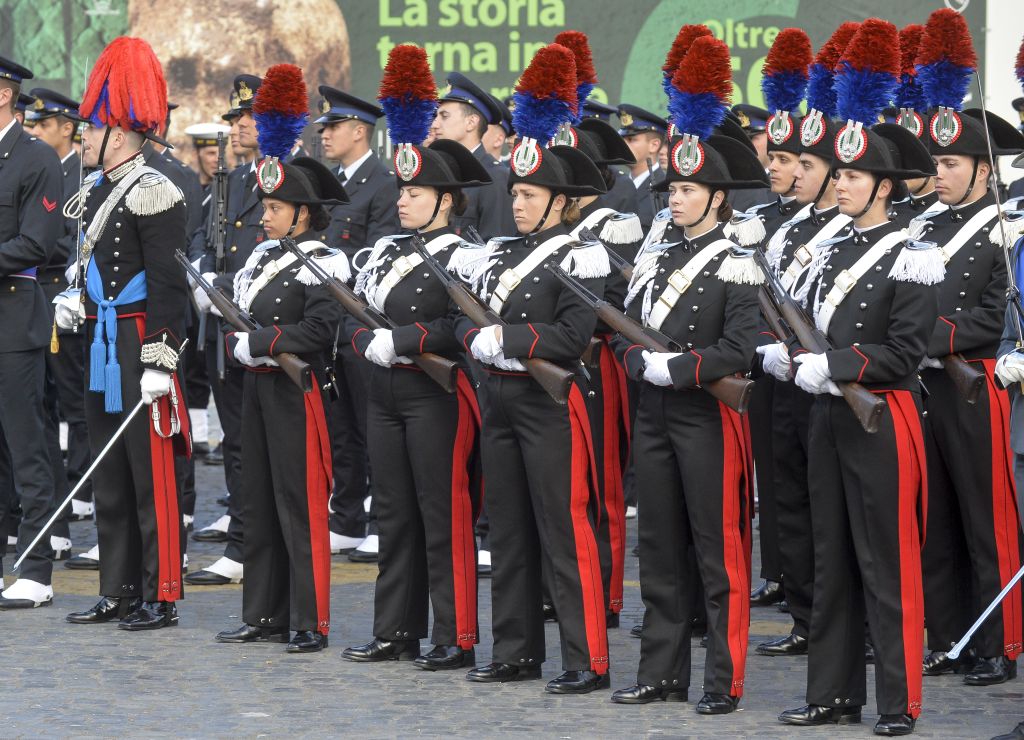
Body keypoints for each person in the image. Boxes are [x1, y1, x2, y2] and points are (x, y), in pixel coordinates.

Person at [777, 18, 941, 735]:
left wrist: (833, 365)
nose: (837, 184)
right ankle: (831, 693)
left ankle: (898, 701)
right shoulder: (830, 248)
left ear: (881, 185)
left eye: (849, 175)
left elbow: (905, 351)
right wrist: (790, 357)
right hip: (827, 414)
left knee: (886, 562)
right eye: (835, 173)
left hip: (881, 415)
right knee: (830, 558)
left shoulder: (913, 252)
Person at [608, 34, 764, 714]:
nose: (675, 199)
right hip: (656, 413)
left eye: (689, 189)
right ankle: (661, 671)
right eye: (672, 188)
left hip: (707, 414)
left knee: (717, 551)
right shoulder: (655, 252)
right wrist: (638, 361)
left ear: (718, 195)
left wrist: (681, 367)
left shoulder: (736, 256)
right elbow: (622, 326)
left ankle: (722, 678)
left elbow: (741, 347)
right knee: (659, 547)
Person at [457, 44, 610, 695]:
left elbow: (574, 336)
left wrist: (510, 339)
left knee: (564, 530)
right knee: (511, 532)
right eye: (516, 193)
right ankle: (516, 648)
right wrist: (480, 339)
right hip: (501, 399)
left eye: (532, 195)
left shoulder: (580, 254)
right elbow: (470, 316)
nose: (518, 204)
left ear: (561, 202)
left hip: (551, 404)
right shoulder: (500, 252)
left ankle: (587, 658)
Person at [342, 45, 488, 669]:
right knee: (393, 514)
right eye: (402, 190)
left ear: (446, 199)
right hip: (386, 394)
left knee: (442, 513)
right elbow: (356, 317)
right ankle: (393, 629)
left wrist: (404, 341)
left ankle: (452, 635)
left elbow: (463, 326)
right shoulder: (386, 249)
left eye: (417, 192)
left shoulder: (464, 254)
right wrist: (365, 342)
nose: (403, 201)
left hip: (435, 396)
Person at [59, 37, 190, 629]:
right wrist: (73, 298)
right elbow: (86, 264)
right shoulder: (95, 191)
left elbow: (168, 286)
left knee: (148, 470)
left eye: (91, 128)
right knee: (108, 470)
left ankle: (160, 591)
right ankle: (118, 587)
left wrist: (162, 359)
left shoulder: (155, 190)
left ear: (119, 132)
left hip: (139, 340)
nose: (82, 137)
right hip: (101, 342)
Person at [215, 64, 342, 654]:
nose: (264, 216)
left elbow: (318, 329)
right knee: (257, 500)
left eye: (275, 208)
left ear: (303, 213)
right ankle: (262, 611)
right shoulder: (264, 258)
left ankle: (308, 618)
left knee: (297, 502)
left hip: (299, 391)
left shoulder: (323, 260)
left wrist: (260, 342)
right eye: (264, 207)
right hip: (260, 389)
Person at [915, 82, 1024, 687]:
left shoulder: (1006, 228)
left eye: (951, 163)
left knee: (988, 522)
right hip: (927, 388)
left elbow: (996, 315)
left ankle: (999, 642)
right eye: (936, 163)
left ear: (983, 169)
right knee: (939, 522)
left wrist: (920, 338)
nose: (939, 173)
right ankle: (950, 636)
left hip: (977, 384)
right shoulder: (926, 225)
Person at [315, 84, 401, 562]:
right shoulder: (334, 181)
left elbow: (378, 253)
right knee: (341, 428)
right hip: (331, 325)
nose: (324, 135)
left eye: (332, 127)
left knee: (374, 432)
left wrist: (335, 263)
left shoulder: (384, 184)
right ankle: (345, 518)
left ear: (358, 130)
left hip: (362, 324)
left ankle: (379, 521)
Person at [185, 74, 264, 586]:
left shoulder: (293, 175)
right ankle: (242, 542)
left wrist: (226, 284)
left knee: (262, 446)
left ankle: (259, 542)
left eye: (246, 118)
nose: (235, 127)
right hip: (222, 333)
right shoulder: (228, 181)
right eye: (233, 119)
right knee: (236, 443)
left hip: (265, 331)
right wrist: (200, 276)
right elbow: (199, 234)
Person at [0, 56, 62, 607]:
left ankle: (37, 569)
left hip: (14, 319)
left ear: (3, 95)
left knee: (27, 448)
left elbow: (35, 244)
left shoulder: (36, 157)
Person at [27, 88, 95, 539]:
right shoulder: (35, 167)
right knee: (42, 406)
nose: (33, 131)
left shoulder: (82, 176)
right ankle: (54, 510)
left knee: (77, 405)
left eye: (42, 125)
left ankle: (82, 494)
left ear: (67, 129)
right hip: (38, 299)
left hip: (69, 299)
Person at [432, 72, 515, 240]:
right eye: (436, 116)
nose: (434, 125)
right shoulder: (438, 172)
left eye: (444, 116)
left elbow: (496, 250)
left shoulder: (496, 178)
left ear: (471, 122)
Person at [616, 104, 666, 230]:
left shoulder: (665, 191)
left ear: (654, 145)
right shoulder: (615, 186)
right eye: (622, 140)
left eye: (631, 139)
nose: (624, 145)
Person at [730, 103, 772, 213]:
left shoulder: (790, 184)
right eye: (740, 140)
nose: (746, 145)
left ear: (770, 137)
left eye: (752, 138)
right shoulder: (726, 182)